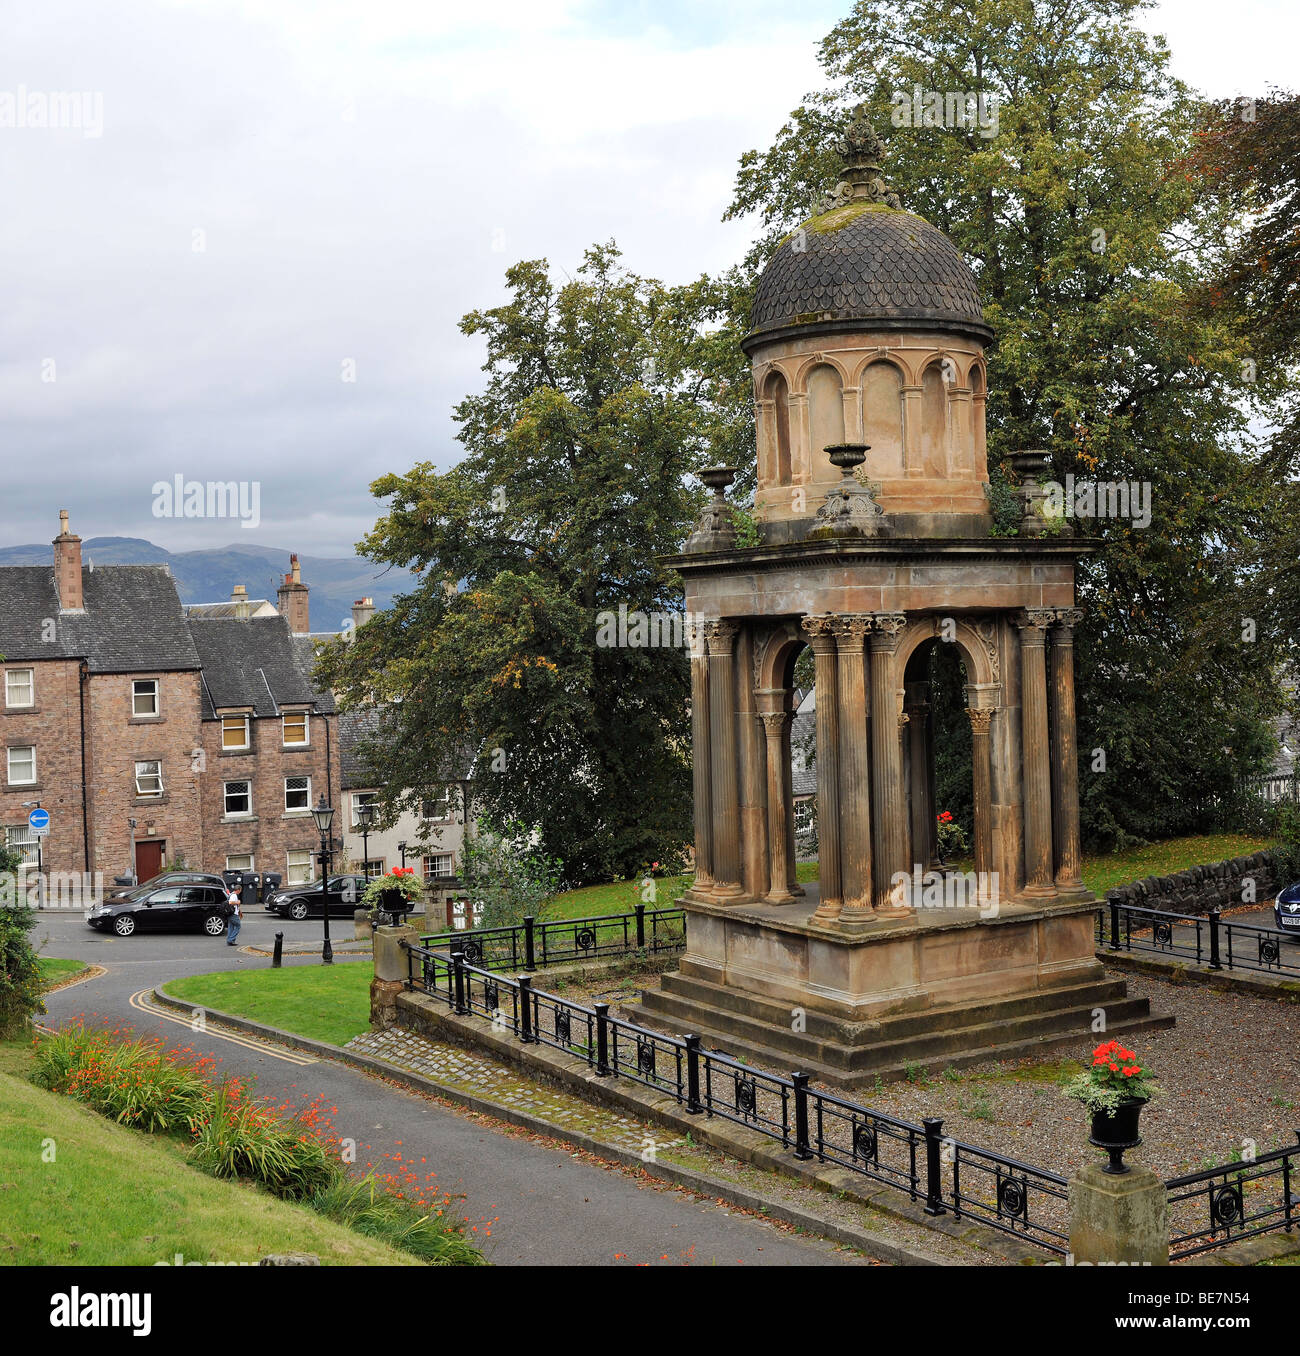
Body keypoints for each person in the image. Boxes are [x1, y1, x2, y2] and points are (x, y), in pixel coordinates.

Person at [226, 881, 242, 946]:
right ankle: (230, 940)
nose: (240, 891)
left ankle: (230, 941)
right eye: (240, 890)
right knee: (238, 926)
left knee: (231, 927)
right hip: (233, 914)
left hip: (230, 913)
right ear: (238, 890)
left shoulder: (231, 894)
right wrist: (237, 902)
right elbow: (230, 902)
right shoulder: (234, 895)